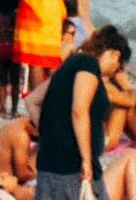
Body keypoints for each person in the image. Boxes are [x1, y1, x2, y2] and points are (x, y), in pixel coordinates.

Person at [33, 26, 129, 200]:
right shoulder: (88, 64)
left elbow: (32, 101)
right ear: (115, 54)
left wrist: (51, 133)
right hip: (72, 166)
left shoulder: (68, 67)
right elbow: (79, 110)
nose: (115, 72)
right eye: (118, 67)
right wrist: (86, 159)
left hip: (50, 161)